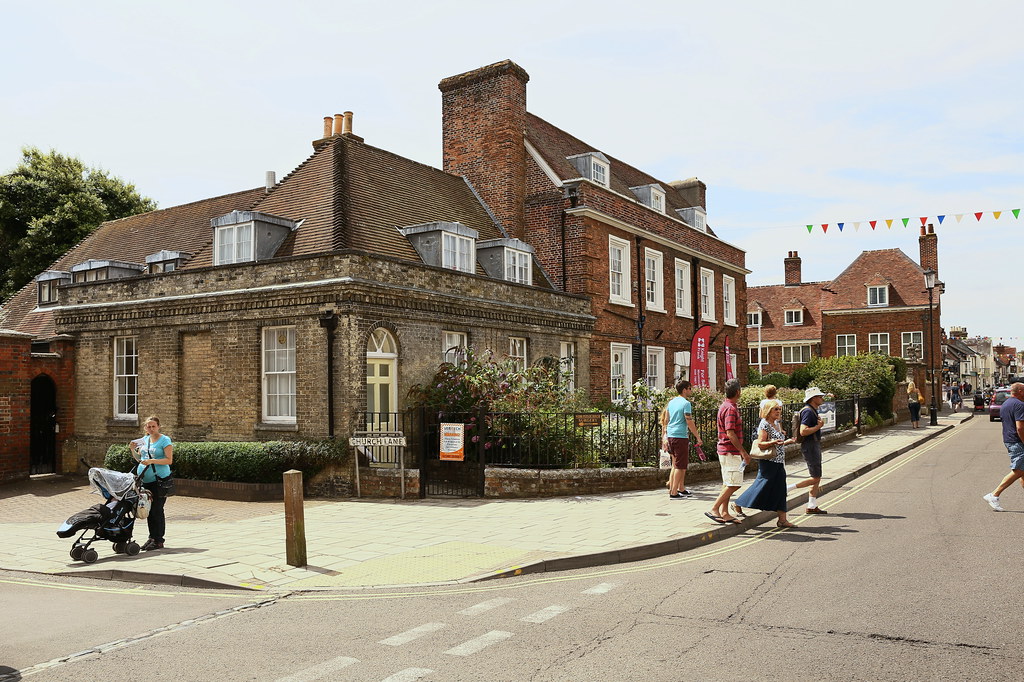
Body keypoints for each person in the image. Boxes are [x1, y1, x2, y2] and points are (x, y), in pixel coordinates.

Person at [735, 402, 798, 527]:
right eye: (776, 409)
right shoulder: (764, 424)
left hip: (779, 461)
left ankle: (782, 520)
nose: (778, 411)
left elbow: (778, 444)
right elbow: (760, 443)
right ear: (768, 410)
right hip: (769, 462)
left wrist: (787, 442)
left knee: (781, 490)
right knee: (761, 486)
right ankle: (738, 503)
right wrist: (774, 441)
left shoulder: (776, 424)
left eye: (779, 409)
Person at [707, 379, 749, 525]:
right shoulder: (730, 408)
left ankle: (725, 513)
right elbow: (730, 432)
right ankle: (714, 508)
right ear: (738, 392)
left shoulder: (726, 405)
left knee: (728, 482)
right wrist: (743, 452)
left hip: (725, 451)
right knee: (734, 484)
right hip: (730, 451)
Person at [129, 415, 174, 550]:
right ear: (145, 428)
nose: (151, 428)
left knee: (157, 510)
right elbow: (139, 458)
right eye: (148, 426)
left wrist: (152, 461)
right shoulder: (144, 440)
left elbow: (168, 460)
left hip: (159, 480)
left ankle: (159, 540)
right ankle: (152, 537)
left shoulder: (165, 440)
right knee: (147, 509)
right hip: (145, 480)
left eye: (153, 426)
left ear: (158, 427)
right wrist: (132, 449)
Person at [983, 382, 1024, 511]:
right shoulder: (1020, 405)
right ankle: (994, 494)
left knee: (1022, 472)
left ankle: (994, 495)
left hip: (1009, 439)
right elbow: (1020, 427)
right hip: (1017, 441)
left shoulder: (1005, 404)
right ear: (1020, 392)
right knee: (1018, 470)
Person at [786, 387, 828, 514]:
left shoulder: (811, 410)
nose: (822, 398)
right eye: (820, 397)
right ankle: (787, 489)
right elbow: (803, 431)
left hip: (813, 445)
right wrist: (818, 426)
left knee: (817, 477)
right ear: (813, 398)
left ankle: (812, 505)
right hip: (810, 446)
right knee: (815, 478)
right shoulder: (808, 412)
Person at [660, 379, 702, 500]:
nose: (691, 390)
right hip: (680, 436)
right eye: (689, 388)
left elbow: (666, 420)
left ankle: (679, 489)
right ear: (684, 390)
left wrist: (664, 435)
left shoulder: (671, 402)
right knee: (680, 466)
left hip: (671, 436)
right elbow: (689, 421)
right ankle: (674, 492)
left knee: (675, 464)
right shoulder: (685, 403)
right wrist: (697, 436)